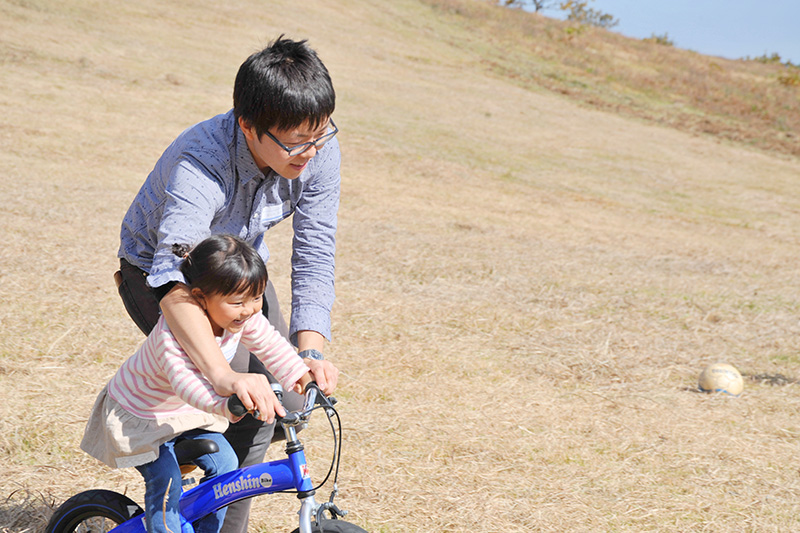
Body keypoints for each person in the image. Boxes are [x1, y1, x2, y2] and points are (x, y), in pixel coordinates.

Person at [114, 36, 341, 532]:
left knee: (290, 395)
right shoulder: (202, 161)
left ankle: (206, 461)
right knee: (243, 389)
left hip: (238, 270)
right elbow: (173, 278)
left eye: (320, 132)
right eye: (294, 141)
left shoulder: (319, 149)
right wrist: (223, 378)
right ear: (247, 124)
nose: (311, 150)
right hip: (162, 276)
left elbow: (315, 252)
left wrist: (312, 353)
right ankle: (174, 465)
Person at [83, 235, 313, 533]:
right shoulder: (173, 334)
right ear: (201, 298)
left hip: (186, 413)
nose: (250, 310)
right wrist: (224, 404)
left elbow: (271, 345)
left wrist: (302, 377)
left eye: (257, 298)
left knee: (227, 465)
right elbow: (186, 384)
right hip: (142, 415)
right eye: (238, 302)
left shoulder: (241, 318)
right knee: (166, 482)